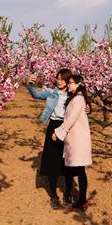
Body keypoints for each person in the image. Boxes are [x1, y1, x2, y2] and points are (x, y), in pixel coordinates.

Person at [26, 68, 71, 209]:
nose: (59, 81)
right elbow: (36, 95)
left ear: (68, 80)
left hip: (68, 128)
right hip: (54, 126)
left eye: (62, 79)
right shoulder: (51, 92)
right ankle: (53, 196)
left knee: (69, 161)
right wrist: (29, 85)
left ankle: (68, 193)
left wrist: (89, 109)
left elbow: (83, 107)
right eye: (57, 78)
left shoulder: (74, 94)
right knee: (52, 161)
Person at [52, 74, 92, 212]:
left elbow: (71, 119)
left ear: (78, 84)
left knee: (80, 170)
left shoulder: (79, 99)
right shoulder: (75, 98)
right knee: (75, 169)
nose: (68, 85)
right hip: (74, 138)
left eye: (71, 83)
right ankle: (77, 197)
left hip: (78, 139)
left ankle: (81, 200)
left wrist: (58, 133)